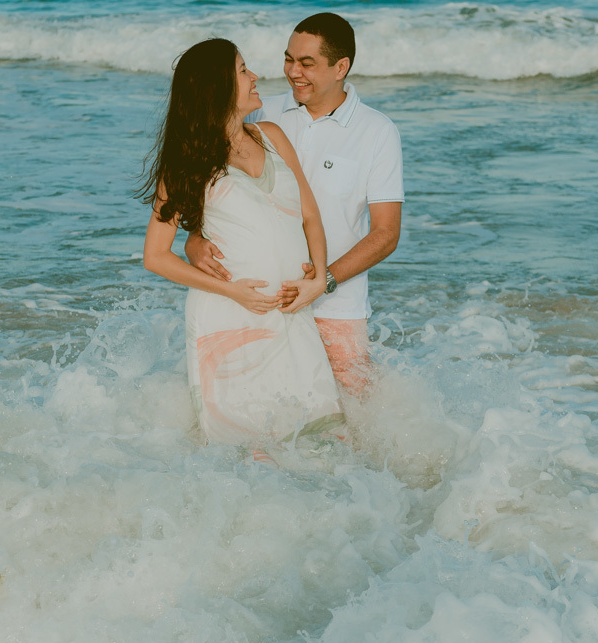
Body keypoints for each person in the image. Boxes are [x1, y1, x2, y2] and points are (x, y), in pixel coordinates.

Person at [185, 13, 404, 396]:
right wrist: (193, 239)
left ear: (341, 67)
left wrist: (324, 281)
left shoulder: (377, 131)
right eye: (289, 59)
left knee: (354, 422)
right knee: (263, 421)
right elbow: (207, 187)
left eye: (307, 63)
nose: (292, 71)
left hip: (337, 308)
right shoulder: (258, 112)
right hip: (263, 302)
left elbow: (386, 233)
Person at [140, 38, 342, 449]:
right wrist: (231, 290)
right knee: (247, 455)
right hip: (228, 322)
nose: (255, 77)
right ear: (217, 87)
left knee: (324, 443)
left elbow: (310, 216)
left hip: (291, 313)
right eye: (243, 70)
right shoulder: (188, 161)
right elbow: (155, 257)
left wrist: (319, 277)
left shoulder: (272, 136)